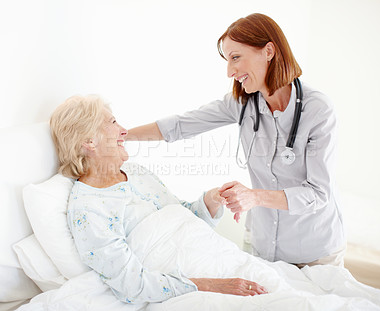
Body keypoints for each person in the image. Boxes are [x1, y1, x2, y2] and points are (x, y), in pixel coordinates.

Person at [125, 13, 346, 268]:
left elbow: (318, 193)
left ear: (269, 51)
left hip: (315, 251)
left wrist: (254, 197)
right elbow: (181, 125)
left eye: (235, 57)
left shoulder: (318, 110)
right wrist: (123, 135)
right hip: (264, 248)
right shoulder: (242, 104)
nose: (230, 71)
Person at [49, 95, 267, 305]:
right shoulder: (88, 208)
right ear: (89, 141)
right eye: (113, 122)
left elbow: (184, 220)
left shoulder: (136, 172)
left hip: (222, 260)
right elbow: (131, 284)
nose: (124, 131)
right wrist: (214, 285)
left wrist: (212, 199)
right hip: (192, 284)